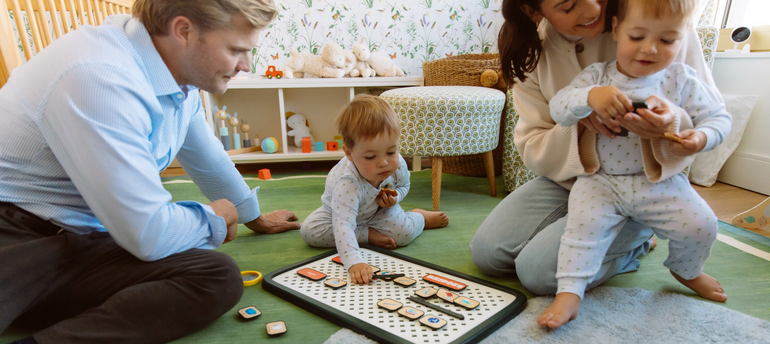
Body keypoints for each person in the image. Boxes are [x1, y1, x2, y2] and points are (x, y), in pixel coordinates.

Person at [0, 0, 300, 343]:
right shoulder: (98, 75)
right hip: (15, 237)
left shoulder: (176, 74)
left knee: (217, 276)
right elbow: (148, 234)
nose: (246, 65)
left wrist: (251, 215)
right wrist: (216, 216)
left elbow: (205, 156)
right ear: (184, 31)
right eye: (236, 50)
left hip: (88, 239)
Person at [469, 0, 725, 308]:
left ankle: (636, 239)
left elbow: (708, 117)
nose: (592, 10)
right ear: (533, 11)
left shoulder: (660, 20)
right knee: (488, 255)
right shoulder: (535, 50)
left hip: (647, 183)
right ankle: (617, 239)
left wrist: (670, 124)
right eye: (568, 6)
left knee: (539, 274)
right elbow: (534, 143)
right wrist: (581, 122)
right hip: (576, 181)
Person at [539, 0, 731, 328]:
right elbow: (558, 107)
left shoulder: (681, 79)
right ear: (616, 30)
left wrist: (700, 137)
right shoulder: (597, 76)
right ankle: (569, 292)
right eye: (637, 36)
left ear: (684, 37)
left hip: (658, 183)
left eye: (667, 41)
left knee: (703, 226)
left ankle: (687, 270)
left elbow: (718, 118)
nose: (650, 49)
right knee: (581, 232)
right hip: (599, 181)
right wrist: (590, 98)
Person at [300, 94, 449, 284]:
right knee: (309, 231)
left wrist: (395, 199)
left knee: (403, 235)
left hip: (380, 211)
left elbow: (404, 185)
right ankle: (366, 234)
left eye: (391, 151)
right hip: (338, 213)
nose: (384, 163)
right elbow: (343, 224)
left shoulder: (398, 164)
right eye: (371, 157)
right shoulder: (348, 182)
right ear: (349, 154)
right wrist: (354, 262)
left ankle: (419, 217)